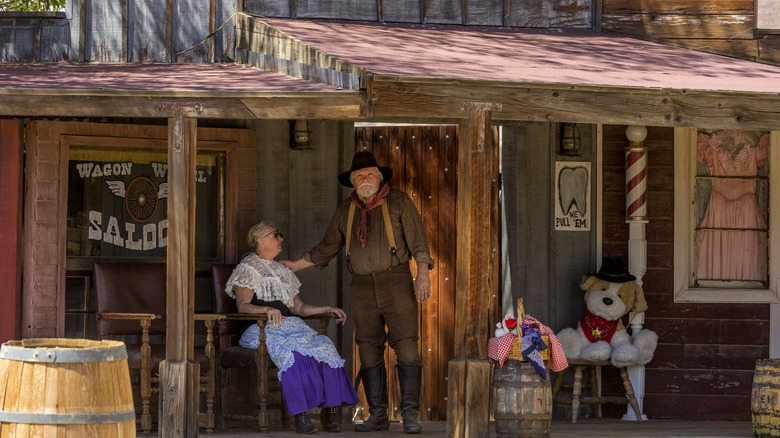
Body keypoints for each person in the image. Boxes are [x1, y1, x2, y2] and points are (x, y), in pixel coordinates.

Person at [282, 151, 434, 434]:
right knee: (367, 349)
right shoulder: (346, 209)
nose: (365, 179)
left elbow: (418, 241)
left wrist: (422, 274)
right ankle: (378, 415)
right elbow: (327, 247)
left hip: (397, 282)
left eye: (370, 174)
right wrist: (294, 265)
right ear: (353, 181)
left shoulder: (398, 201)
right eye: (360, 175)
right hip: (361, 287)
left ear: (379, 177)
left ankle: (410, 416)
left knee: (408, 347)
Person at [224, 221, 360, 434]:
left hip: (291, 326)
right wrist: (265, 309)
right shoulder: (248, 268)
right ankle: (301, 416)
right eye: (275, 235)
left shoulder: (282, 270)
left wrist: (327, 307)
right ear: (260, 240)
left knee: (325, 347)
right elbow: (242, 305)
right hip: (261, 329)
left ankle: (329, 413)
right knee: (294, 354)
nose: (281, 239)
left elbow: (300, 307)